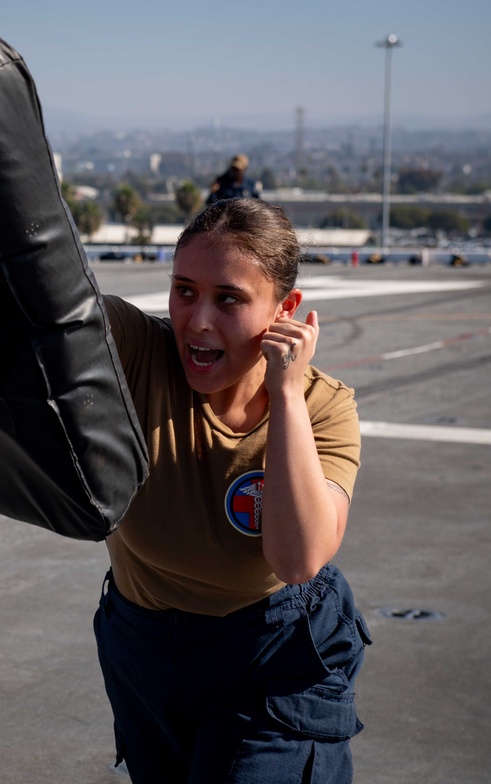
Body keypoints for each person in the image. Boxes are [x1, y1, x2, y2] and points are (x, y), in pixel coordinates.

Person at [94, 197, 370, 783]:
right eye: (184, 290)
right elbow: (39, 297)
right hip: (142, 646)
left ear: (286, 311)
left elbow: (298, 559)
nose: (196, 321)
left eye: (229, 299)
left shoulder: (325, 407)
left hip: (274, 651)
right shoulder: (137, 350)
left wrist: (287, 393)